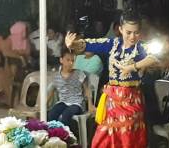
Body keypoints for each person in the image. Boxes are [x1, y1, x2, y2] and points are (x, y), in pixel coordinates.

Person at [65, 9, 160, 148]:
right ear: (120, 29)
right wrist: (72, 44)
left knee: (127, 136)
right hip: (112, 101)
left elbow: (155, 57)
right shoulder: (112, 44)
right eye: (128, 32)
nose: (132, 36)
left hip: (131, 101)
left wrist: (132, 67)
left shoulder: (141, 47)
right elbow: (87, 44)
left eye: (136, 32)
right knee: (103, 136)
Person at [47, 49, 94, 126]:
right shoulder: (56, 76)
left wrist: (90, 105)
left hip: (77, 103)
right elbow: (51, 91)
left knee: (66, 115)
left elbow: (87, 89)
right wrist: (44, 105)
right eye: (68, 60)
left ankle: (65, 135)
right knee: (52, 114)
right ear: (61, 60)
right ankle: (54, 134)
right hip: (63, 102)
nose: (71, 63)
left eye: (72, 61)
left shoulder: (79, 74)